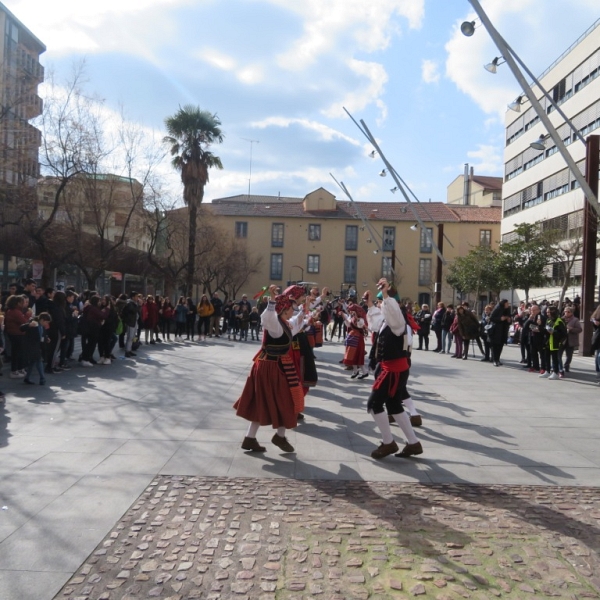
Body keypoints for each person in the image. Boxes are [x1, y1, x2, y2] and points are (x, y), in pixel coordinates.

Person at [233, 285, 306, 453]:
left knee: (262, 403)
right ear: (284, 309)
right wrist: (272, 300)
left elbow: (296, 324)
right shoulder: (275, 325)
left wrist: (304, 311)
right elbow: (267, 317)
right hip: (270, 368)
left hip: (272, 366)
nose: (291, 311)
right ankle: (279, 437)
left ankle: (250, 439)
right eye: (289, 308)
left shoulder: (284, 324)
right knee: (287, 400)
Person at [366, 279, 423, 460]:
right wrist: (370, 304)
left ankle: (388, 442)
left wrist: (386, 295)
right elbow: (375, 322)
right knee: (393, 404)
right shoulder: (388, 321)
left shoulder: (399, 321)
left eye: (382, 302)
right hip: (393, 368)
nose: (380, 305)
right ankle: (413, 443)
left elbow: (393, 314)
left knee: (374, 404)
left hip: (393, 369)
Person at [21, 312, 52, 385]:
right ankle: (42, 378)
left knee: (33, 362)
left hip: (37, 346)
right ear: (42, 320)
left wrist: (46, 338)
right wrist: (29, 325)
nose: (46, 324)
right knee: (39, 360)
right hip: (31, 345)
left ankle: (27, 378)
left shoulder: (42, 326)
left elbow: (42, 334)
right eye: (46, 322)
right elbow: (21, 328)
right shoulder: (33, 323)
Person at [342, 303, 368, 378]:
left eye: (352, 311)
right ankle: (356, 371)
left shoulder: (360, 319)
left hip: (357, 339)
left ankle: (364, 372)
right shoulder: (353, 318)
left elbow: (360, 325)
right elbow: (349, 324)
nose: (350, 312)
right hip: (353, 337)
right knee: (352, 355)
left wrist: (356, 317)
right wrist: (344, 317)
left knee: (357, 355)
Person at [541, 305, 567, 380]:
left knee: (555, 358)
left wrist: (553, 332)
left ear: (553, 312)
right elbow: (546, 330)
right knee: (547, 357)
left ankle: (555, 372)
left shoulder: (559, 321)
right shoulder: (548, 320)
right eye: (547, 312)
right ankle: (547, 371)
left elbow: (563, 333)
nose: (547, 313)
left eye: (549, 312)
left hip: (555, 342)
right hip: (547, 342)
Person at [488, 299, 512, 366]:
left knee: (501, 345)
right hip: (496, 330)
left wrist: (509, 320)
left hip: (504, 329)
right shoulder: (497, 308)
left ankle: (498, 359)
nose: (508, 305)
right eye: (506, 303)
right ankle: (495, 360)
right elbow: (491, 318)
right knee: (495, 345)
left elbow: (510, 317)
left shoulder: (508, 309)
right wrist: (500, 319)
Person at [560, 305, 582, 375]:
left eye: (568, 312)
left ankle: (566, 366)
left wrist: (571, 329)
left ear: (571, 312)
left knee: (569, 355)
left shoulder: (575, 320)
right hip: (562, 340)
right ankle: (559, 366)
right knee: (559, 354)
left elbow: (579, 329)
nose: (566, 313)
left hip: (570, 340)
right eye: (565, 311)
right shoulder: (561, 319)